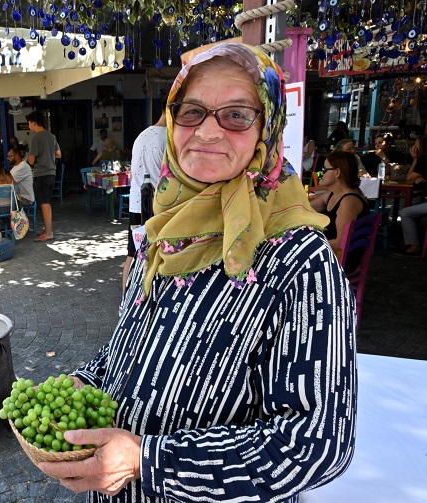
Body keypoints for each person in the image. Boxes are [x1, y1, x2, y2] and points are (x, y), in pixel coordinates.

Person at [37, 43, 356, 502]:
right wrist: (86, 379)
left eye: (236, 114)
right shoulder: (161, 232)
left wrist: (148, 461)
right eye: (191, 112)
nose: (207, 130)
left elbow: (318, 443)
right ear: (171, 121)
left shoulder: (300, 261)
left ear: (267, 128)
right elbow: (133, 343)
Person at [122, 104, 167, 294]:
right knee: (157, 254)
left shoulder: (142, 136)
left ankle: (125, 300)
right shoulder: (168, 137)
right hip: (157, 206)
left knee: (132, 253)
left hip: (136, 204)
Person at [309, 151, 370, 272]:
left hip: (341, 260)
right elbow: (306, 208)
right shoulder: (333, 195)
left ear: (337, 172)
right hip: (330, 254)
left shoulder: (348, 201)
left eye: (325, 169)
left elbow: (340, 243)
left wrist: (308, 245)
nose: (321, 173)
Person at [26, 110, 61, 242]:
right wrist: (48, 155)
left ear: (34, 123)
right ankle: (47, 230)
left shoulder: (37, 137)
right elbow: (59, 154)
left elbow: (31, 160)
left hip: (41, 174)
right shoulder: (52, 136)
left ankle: (49, 233)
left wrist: (37, 156)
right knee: (47, 202)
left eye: (29, 124)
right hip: (52, 173)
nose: (29, 127)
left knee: (44, 204)